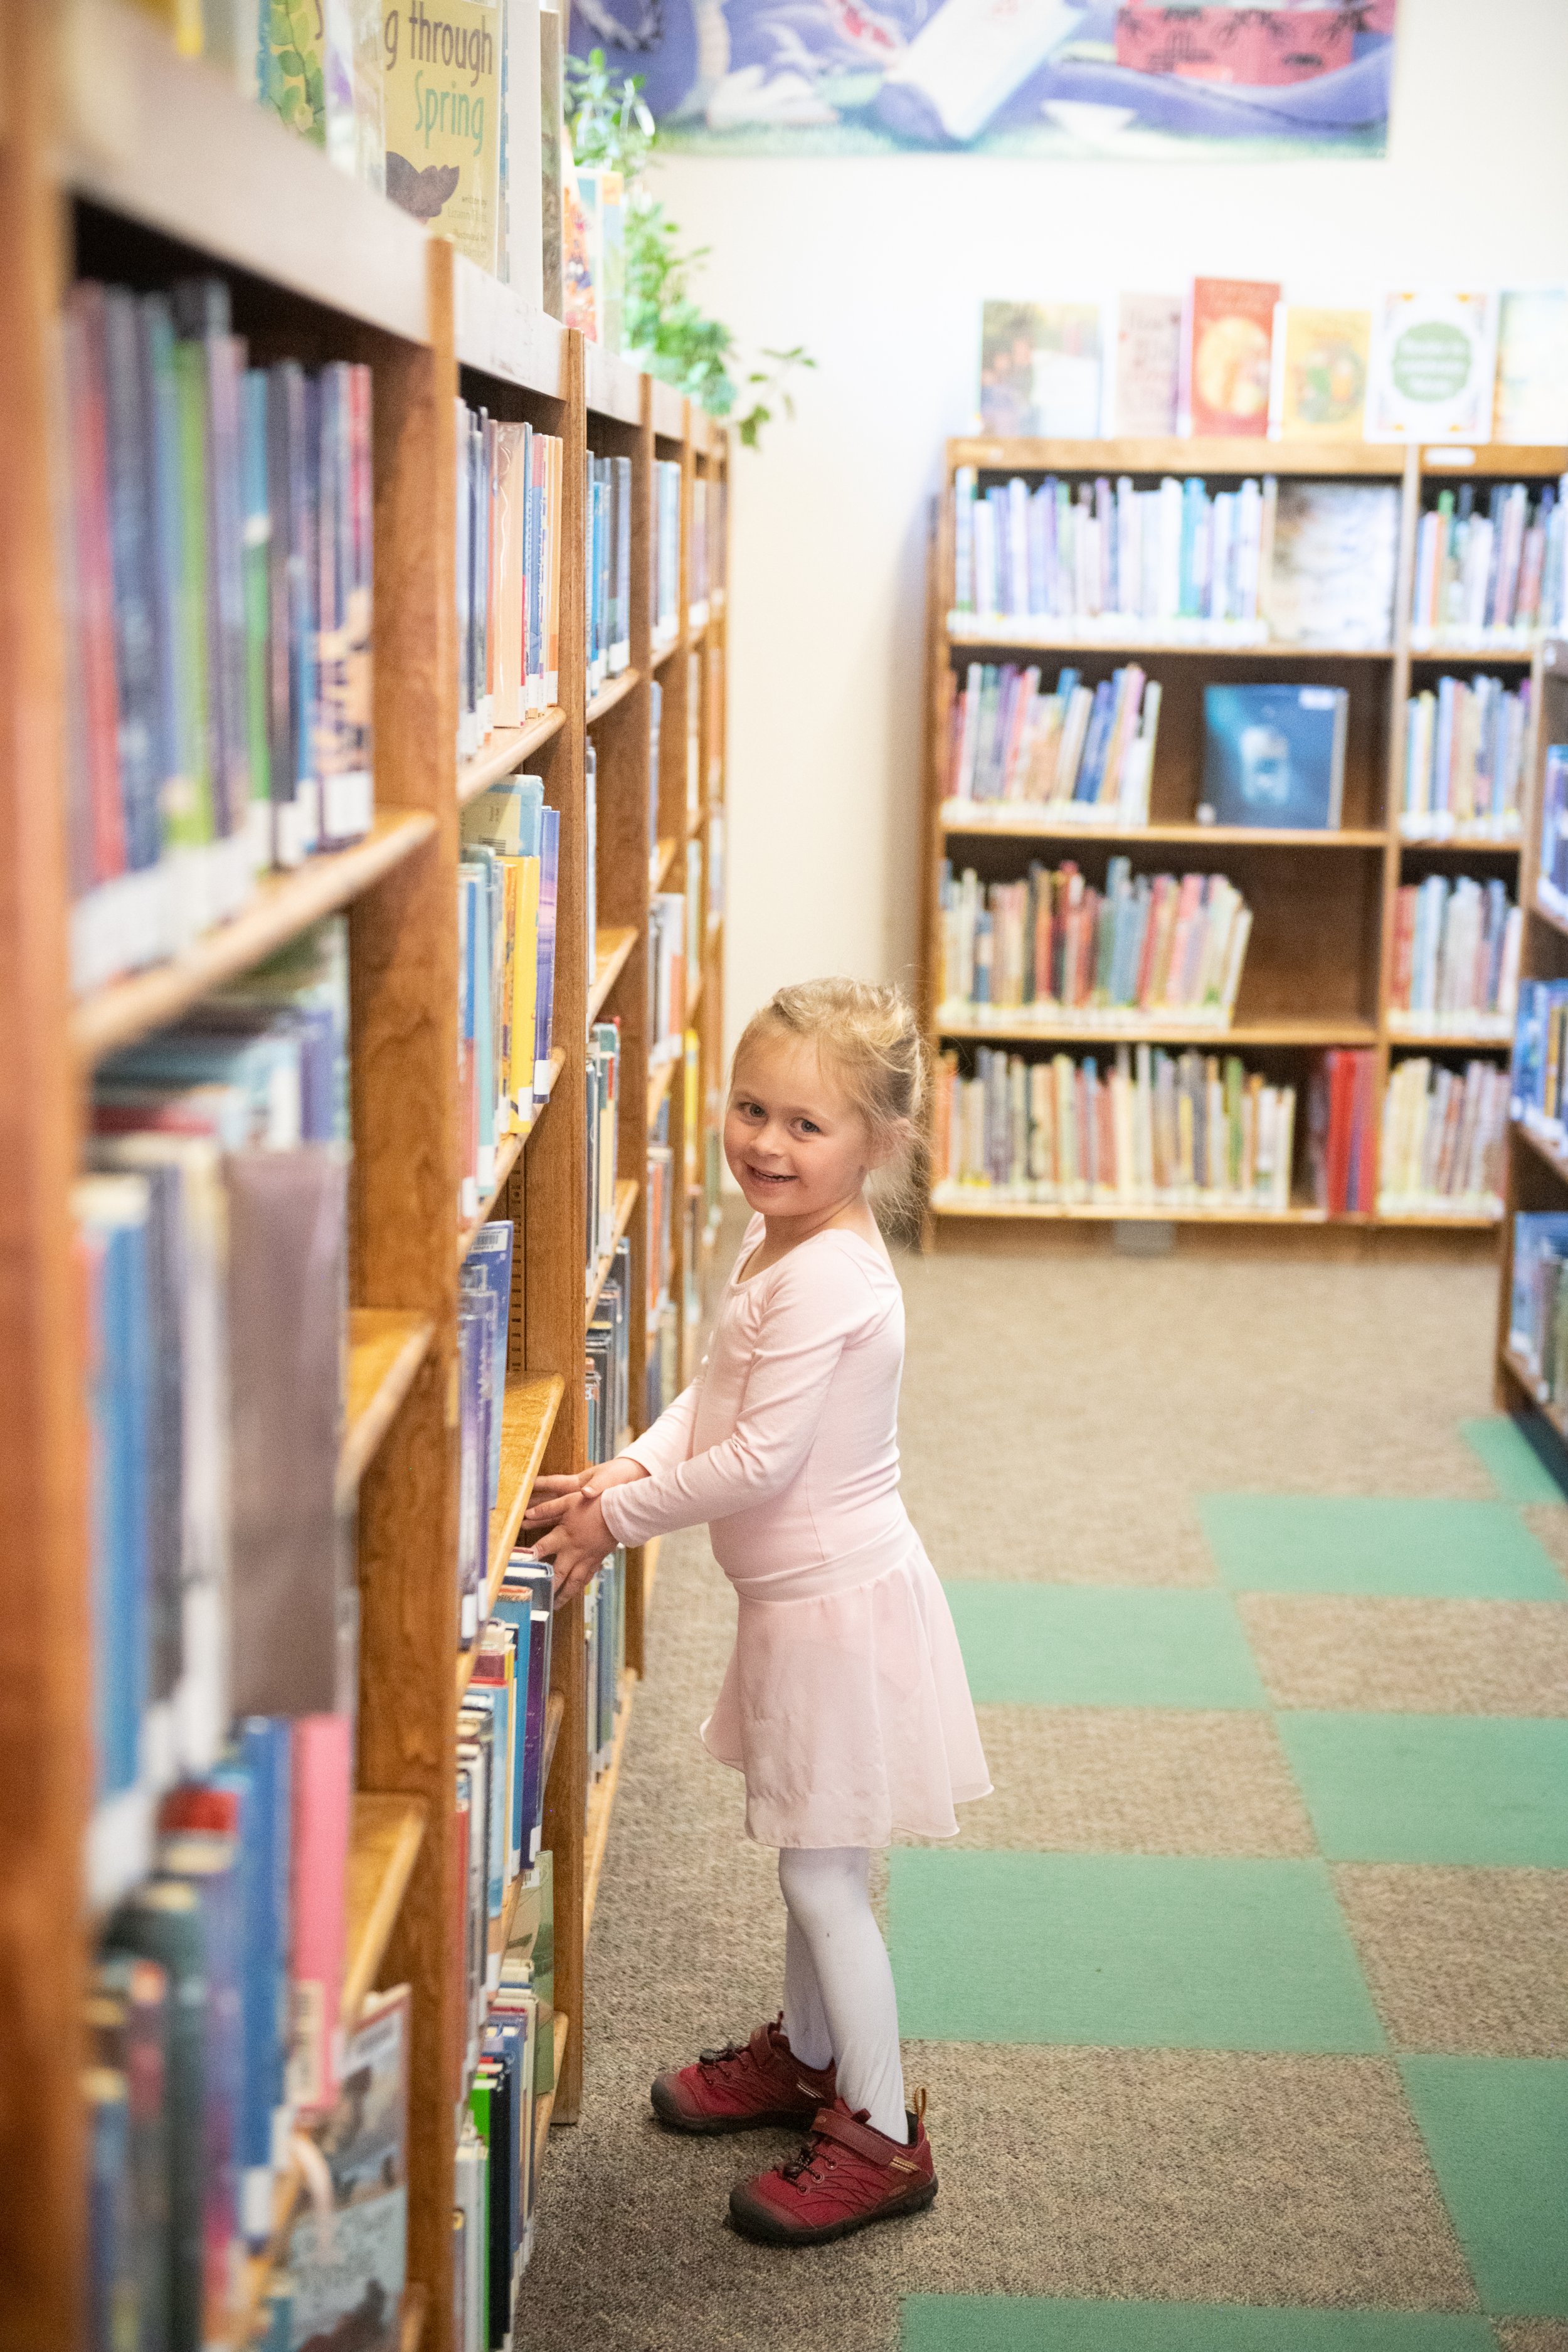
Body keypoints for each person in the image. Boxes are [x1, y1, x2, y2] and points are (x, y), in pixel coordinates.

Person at [524, 977, 990, 2246]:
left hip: (835, 1609)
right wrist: (628, 1462)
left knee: (826, 1873)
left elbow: (757, 1466)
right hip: (793, 1605)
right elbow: (713, 1398)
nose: (764, 1145)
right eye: (748, 1110)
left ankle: (884, 2132)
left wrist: (612, 1521)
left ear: (879, 1145)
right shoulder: (772, 1239)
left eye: (804, 1125)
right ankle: (810, 2057)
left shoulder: (831, 1276)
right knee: (807, 1856)